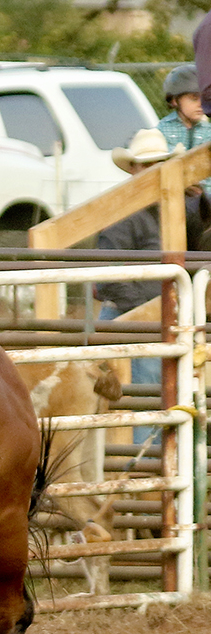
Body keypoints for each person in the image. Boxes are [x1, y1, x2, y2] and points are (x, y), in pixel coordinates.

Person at [95, 128, 187, 446]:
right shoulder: (124, 214)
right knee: (145, 393)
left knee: (159, 392)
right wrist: (146, 312)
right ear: (133, 169)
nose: (154, 171)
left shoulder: (172, 208)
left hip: (156, 320)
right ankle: (145, 462)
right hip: (134, 321)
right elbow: (108, 275)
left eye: (160, 164)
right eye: (147, 165)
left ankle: (152, 461)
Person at [155, 64, 211, 198]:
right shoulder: (163, 130)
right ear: (175, 101)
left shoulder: (208, 130)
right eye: (194, 98)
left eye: (204, 98)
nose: (200, 104)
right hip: (174, 194)